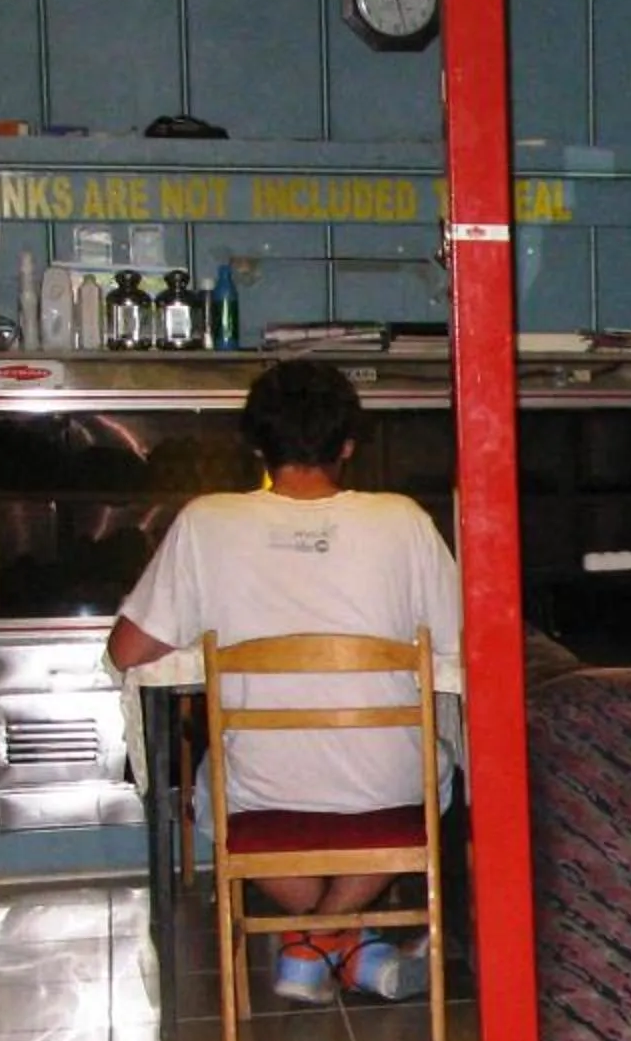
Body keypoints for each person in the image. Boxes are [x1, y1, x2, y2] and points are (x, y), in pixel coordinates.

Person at [107, 358, 461, 1006]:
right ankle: (345, 945)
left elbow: (128, 649)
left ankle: (313, 944)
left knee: (213, 794)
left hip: (260, 796)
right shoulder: (404, 520)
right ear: (349, 445)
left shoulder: (206, 521)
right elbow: (461, 640)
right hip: (390, 786)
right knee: (437, 773)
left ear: (255, 444)